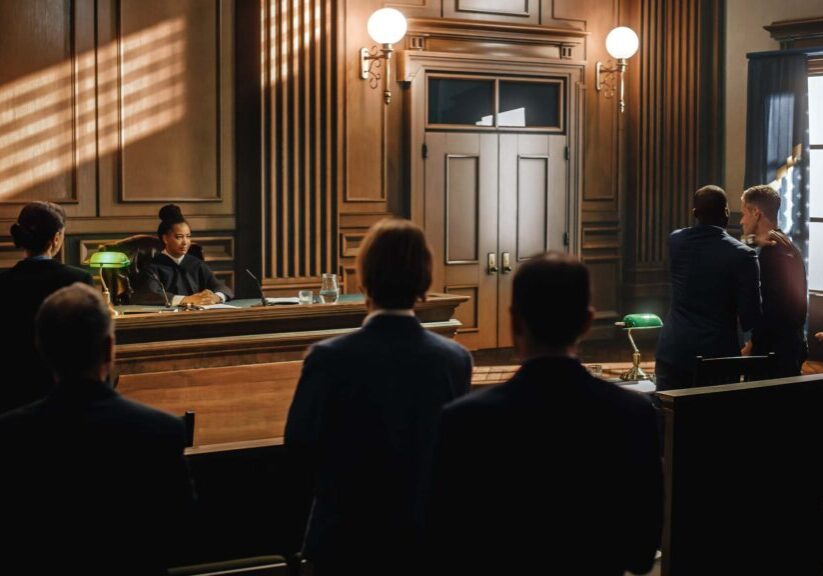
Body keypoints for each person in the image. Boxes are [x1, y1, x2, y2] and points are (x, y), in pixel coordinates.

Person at [428, 252, 662, 576]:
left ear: (513, 321)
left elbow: (444, 545)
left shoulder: (464, 420)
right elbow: (641, 553)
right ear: (587, 322)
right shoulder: (633, 413)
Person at [285, 218, 472, 576]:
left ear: (364, 278)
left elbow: (299, 448)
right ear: (424, 280)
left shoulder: (328, 357)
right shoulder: (454, 359)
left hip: (346, 539)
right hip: (424, 538)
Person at [0, 283, 195, 575]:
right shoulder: (161, 430)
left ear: (42, 348)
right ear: (109, 348)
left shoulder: (10, 434)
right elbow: (181, 531)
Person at [655, 185, 762, 390]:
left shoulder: (675, 241)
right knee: (712, 419)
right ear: (727, 213)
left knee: (669, 416)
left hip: (673, 351)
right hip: (717, 357)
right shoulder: (744, 256)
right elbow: (750, 317)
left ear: (695, 213)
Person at [0, 201, 93, 413]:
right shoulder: (78, 280)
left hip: (10, 397)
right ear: (57, 238)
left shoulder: (3, 282)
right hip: (63, 397)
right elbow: (86, 347)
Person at [739, 184, 807, 376]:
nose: (742, 221)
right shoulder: (789, 246)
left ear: (756, 213)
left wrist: (752, 345)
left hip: (773, 353)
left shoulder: (770, 253)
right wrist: (752, 240)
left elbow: (772, 308)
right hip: (792, 345)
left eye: (744, 213)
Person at [133, 204, 233, 306]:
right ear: (165, 239)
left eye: (188, 236)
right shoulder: (153, 267)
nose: (185, 242)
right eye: (179, 237)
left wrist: (217, 297)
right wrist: (186, 299)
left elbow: (222, 288)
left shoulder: (196, 264)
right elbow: (148, 295)